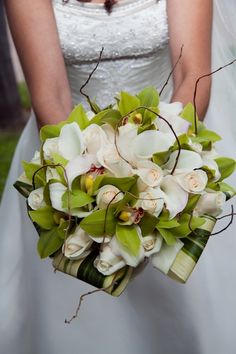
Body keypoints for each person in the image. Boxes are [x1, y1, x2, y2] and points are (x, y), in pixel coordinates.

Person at [0, 1, 235, 353]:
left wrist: (151, 177)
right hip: (68, 152)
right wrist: (88, 188)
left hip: (169, 145)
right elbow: (50, 94)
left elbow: (192, 76)